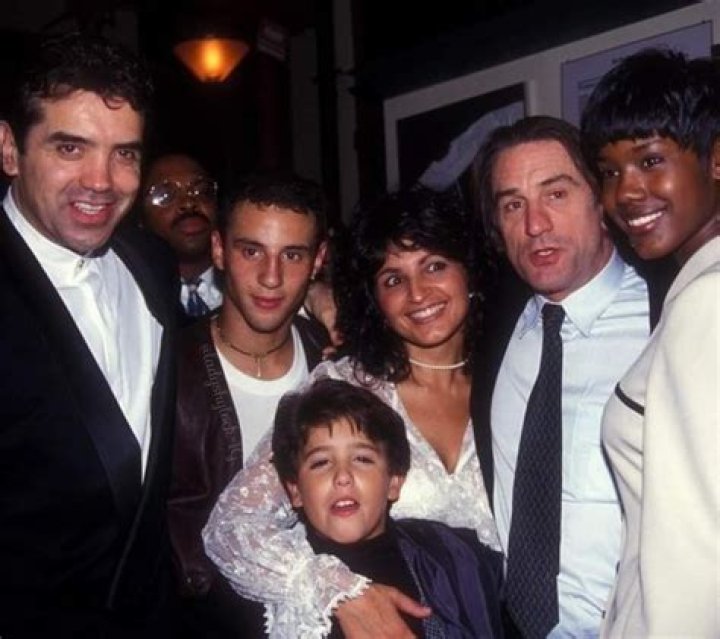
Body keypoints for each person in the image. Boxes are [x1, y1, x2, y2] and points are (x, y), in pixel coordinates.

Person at [203, 186, 501, 638]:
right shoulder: (347, 388)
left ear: (470, 272)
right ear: (374, 298)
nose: (418, 293)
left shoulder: (512, 377)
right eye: (393, 279)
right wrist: (340, 592)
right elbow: (231, 527)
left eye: (435, 266)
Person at [0, 33, 179, 637]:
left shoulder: (151, 263)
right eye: (70, 147)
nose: (101, 180)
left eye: (124, 153)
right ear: (9, 149)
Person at [469, 115, 672, 638]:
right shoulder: (492, 329)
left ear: (601, 201)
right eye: (512, 205)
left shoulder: (669, 318)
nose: (535, 224)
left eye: (556, 194)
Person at [580, 48, 719, 637]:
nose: (627, 192)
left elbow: (695, 552)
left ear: (716, 159)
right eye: (610, 172)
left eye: (650, 160)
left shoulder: (706, 301)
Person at [168, 171, 331, 638]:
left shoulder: (336, 364)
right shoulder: (166, 369)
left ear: (318, 260)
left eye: (292, 255)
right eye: (251, 251)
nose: (271, 277)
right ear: (219, 250)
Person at [272, 377, 505, 638]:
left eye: (362, 459)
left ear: (394, 481)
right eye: (321, 462)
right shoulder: (276, 580)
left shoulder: (457, 560)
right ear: (295, 490)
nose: (342, 476)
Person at [140, 152, 222, 319]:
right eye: (165, 195)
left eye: (201, 191)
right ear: (140, 218)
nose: (188, 203)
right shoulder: (131, 298)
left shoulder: (251, 287)